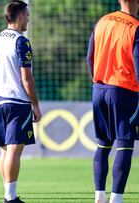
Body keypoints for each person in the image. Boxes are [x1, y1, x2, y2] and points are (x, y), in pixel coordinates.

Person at [0, 1, 41, 203]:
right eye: (27, 15)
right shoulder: (21, 41)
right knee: (14, 151)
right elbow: (26, 78)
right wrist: (35, 105)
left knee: (5, 151)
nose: (28, 18)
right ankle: (10, 198)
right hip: (16, 101)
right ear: (19, 17)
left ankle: (8, 194)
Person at [86, 0, 139, 202]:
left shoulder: (102, 21)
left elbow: (89, 57)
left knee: (103, 145)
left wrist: (98, 80)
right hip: (123, 91)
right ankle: (116, 199)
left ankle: (99, 195)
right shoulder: (135, 27)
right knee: (125, 145)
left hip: (99, 88)